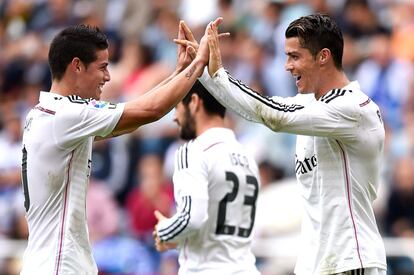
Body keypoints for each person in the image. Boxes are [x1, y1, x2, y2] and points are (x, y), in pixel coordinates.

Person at [179, 14, 387, 274]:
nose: (287, 66)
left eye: (295, 56)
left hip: (351, 260)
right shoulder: (310, 105)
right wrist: (202, 71)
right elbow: (258, 110)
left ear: (323, 56)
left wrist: (217, 73)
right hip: (316, 263)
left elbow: (274, 116)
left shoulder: (354, 108)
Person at [19, 18, 216, 274]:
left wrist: (178, 73)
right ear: (77, 66)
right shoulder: (66, 116)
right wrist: (198, 64)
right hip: (59, 265)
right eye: (102, 67)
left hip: (53, 262)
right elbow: (149, 110)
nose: (108, 76)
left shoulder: (48, 114)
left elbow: (132, 117)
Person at [152, 80, 261, 275]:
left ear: (194, 102)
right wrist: (177, 239)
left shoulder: (193, 151)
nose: (175, 117)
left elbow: (191, 219)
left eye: (177, 107)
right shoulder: (247, 156)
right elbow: (221, 234)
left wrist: (163, 230)